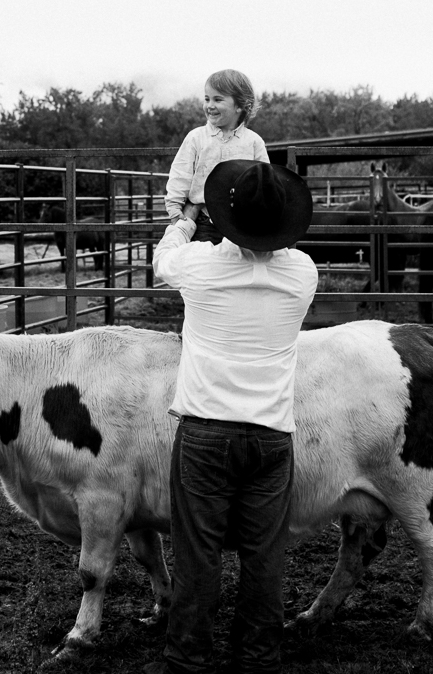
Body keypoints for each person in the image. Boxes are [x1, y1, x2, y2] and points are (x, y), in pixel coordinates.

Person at [149, 159, 318, 674]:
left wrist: (185, 219)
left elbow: (162, 262)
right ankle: (259, 657)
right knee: (264, 555)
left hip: (205, 432)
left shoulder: (199, 266)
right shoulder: (302, 273)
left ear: (226, 217)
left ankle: (188, 658)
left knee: (197, 553)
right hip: (271, 436)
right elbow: (269, 256)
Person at [165, 69, 269, 244]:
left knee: (235, 267)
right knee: (203, 265)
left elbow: (264, 180)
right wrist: (174, 208)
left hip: (241, 221)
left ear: (240, 105)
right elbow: (180, 174)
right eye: (207, 99)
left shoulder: (253, 142)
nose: (209, 105)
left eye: (218, 99)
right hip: (203, 221)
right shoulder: (196, 138)